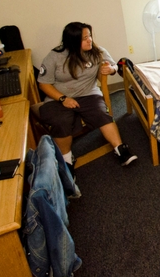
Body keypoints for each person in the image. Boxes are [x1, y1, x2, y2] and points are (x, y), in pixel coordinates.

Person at [37, 22, 137, 170]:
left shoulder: (97, 52)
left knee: (102, 114)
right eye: (84, 38)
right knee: (61, 121)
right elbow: (43, 84)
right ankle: (67, 160)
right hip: (58, 98)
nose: (89, 40)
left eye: (89, 36)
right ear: (73, 40)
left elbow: (115, 65)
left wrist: (111, 69)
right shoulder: (55, 56)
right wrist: (63, 99)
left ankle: (120, 149)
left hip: (88, 94)